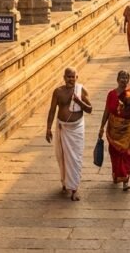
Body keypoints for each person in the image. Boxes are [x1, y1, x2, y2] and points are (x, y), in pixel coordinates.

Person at [45, 67, 93, 201]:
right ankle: (66, 182)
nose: (71, 79)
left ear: (76, 78)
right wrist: (48, 128)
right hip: (62, 127)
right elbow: (52, 110)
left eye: (73, 77)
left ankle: (74, 189)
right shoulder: (58, 92)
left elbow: (89, 109)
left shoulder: (81, 90)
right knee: (63, 157)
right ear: (64, 77)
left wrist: (79, 101)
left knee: (75, 158)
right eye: (68, 77)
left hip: (76, 128)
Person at [99, 70, 130, 190]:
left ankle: (125, 180)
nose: (124, 80)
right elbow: (107, 110)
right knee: (115, 153)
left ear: (128, 80)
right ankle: (117, 175)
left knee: (127, 153)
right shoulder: (111, 94)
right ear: (117, 79)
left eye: (126, 78)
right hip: (114, 127)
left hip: (128, 128)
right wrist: (102, 126)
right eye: (122, 77)